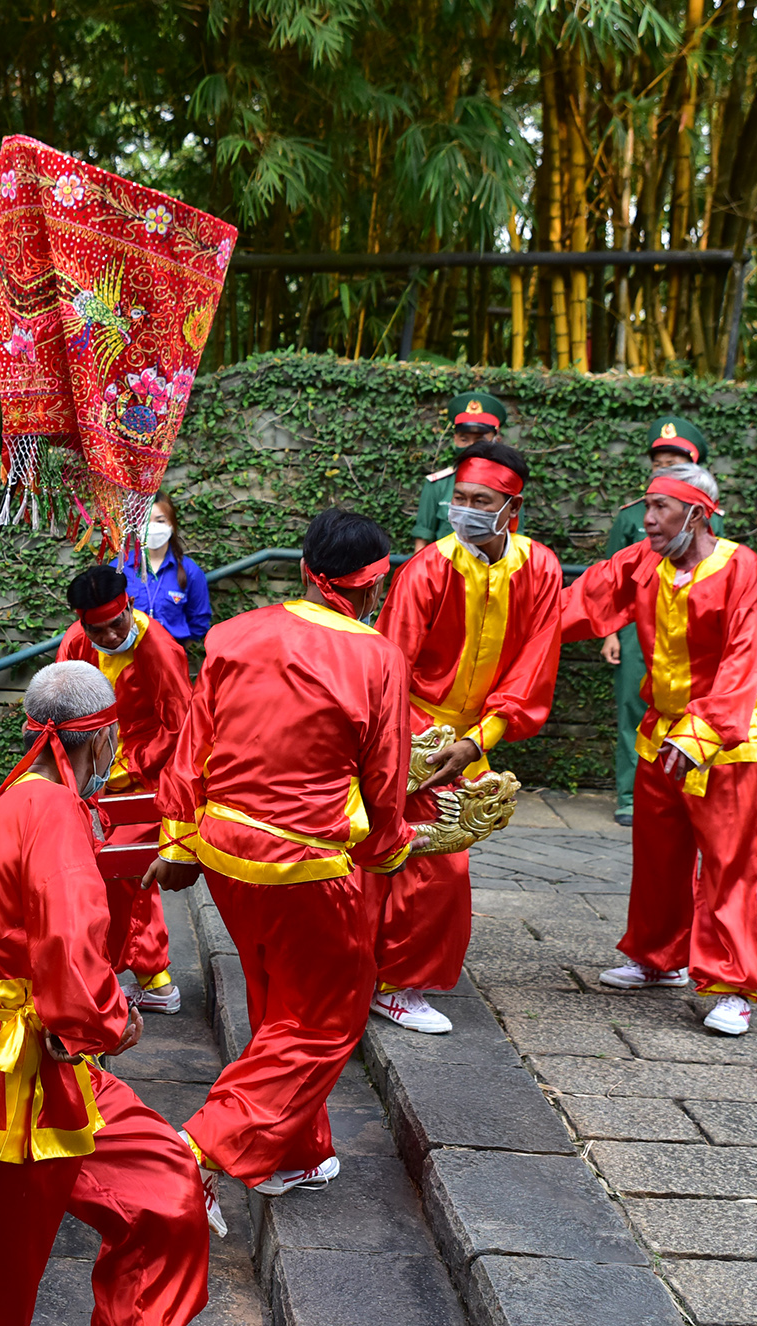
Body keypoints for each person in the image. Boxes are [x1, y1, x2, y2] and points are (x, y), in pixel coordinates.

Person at [0, 661, 208, 1325]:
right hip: (4, 1074)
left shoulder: (21, 796)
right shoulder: (50, 813)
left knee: (164, 1186)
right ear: (102, 740)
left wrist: (90, 1019)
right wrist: (111, 1022)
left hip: (19, 1050)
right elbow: (70, 952)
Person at [148, 508, 419, 1201]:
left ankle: (293, 1152)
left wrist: (179, 839)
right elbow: (385, 777)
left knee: (279, 1002)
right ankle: (201, 1148)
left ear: (305, 569)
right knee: (327, 1016)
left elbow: (192, 744)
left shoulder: (236, 635)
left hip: (226, 853)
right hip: (310, 863)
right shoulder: (378, 656)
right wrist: (389, 853)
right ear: (373, 589)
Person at [560, 462, 757, 1037]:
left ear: (697, 515)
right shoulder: (642, 562)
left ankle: (731, 985)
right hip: (660, 732)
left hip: (723, 743)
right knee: (658, 855)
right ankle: (657, 959)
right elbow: (579, 604)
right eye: (647, 507)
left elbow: (743, 659)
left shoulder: (738, 566)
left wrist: (702, 732)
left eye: (660, 509)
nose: (647, 520)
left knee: (727, 865)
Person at [368, 442, 564, 1035]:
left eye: (481, 501)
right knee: (432, 859)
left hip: (473, 739)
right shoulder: (427, 568)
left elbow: (535, 663)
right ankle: (396, 983)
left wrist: (480, 741)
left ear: (512, 509)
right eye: (460, 498)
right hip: (415, 729)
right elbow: (390, 665)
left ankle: (390, 976)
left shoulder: (541, 568)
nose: (465, 510)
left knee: (430, 858)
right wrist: (418, 745)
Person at [56, 563, 192, 1015]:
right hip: (94, 779)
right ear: (82, 624)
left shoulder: (161, 651)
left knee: (118, 870)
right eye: (99, 630)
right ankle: (135, 974)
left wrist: (128, 764)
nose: (111, 637)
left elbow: (181, 728)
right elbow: (61, 708)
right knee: (91, 868)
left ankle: (152, 978)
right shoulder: (77, 643)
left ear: (130, 607)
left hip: (149, 784)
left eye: (117, 625)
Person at [600, 417, 724, 826]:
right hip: (638, 627)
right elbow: (609, 587)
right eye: (658, 461)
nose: (663, 468)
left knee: (688, 709)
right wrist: (613, 635)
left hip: (689, 629)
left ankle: (685, 790)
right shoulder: (630, 516)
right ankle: (629, 795)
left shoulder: (709, 518)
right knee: (633, 710)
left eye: (673, 461)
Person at [412, 392, 508, 551]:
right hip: (445, 571)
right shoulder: (437, 485)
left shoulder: (507, 485)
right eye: (464, 439)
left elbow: (515, 539)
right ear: (455, 439)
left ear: (496, 439)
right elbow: (422, 541)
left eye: (480, 440)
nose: (471, 446)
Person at [115, 493, 212, 645]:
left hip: (173, 656)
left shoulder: (190, 571)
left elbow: (199, 621)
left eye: (160, 521)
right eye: (145, 521)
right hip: (126, 658)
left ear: (171, 525)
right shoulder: (119, 568)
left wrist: (176, 649)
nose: (152, 527)